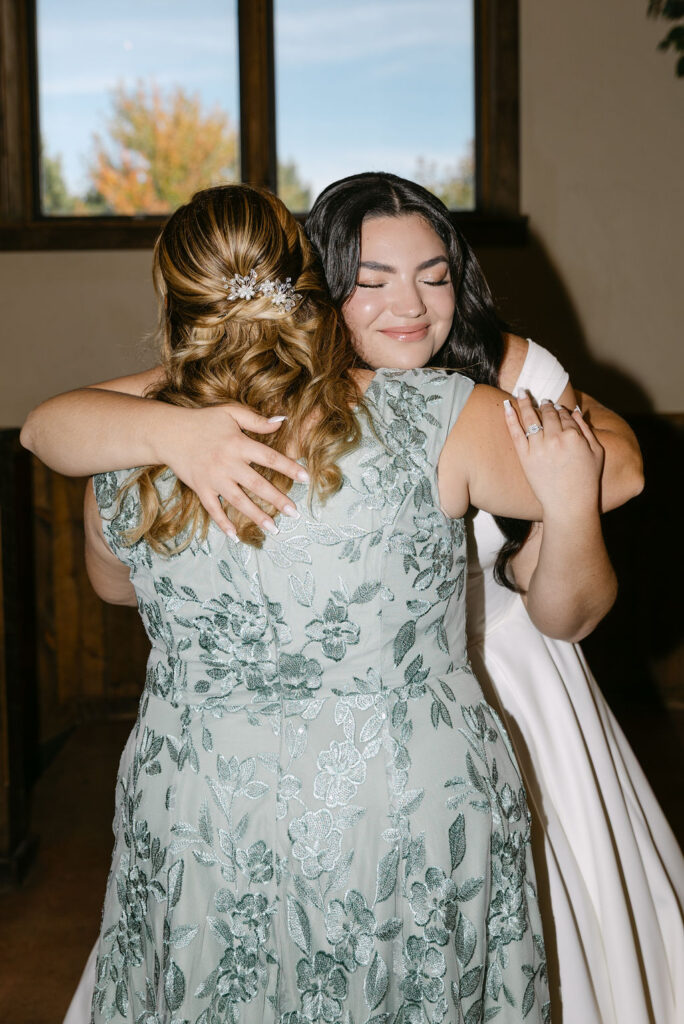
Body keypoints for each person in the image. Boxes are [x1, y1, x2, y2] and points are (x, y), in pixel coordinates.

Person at [21, 174, 683, 1022]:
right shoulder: (442, 414)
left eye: (431, 275)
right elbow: (604, 498)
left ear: (175, 303)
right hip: (401, 800)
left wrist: (165, 431)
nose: (405, 303)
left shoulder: (116, 442)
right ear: (317, 287)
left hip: (199, 801)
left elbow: (110, 582)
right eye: (370, 281)